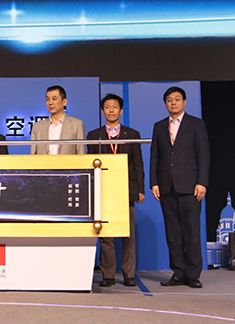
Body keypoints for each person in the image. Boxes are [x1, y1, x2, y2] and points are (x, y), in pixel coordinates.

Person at [149, 86, 210, 289]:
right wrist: (154, 182)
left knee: (191, 233)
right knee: (173, 234)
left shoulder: (196, 124)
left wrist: (202, 182)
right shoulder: (159, 126)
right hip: (166, 187)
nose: (173, 103)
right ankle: (178, 273)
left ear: (184, 102)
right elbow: (155, 156)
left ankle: (192, 275)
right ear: (165, 103)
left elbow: (203, 155)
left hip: (190, 186)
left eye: (177, 99)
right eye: (169, 100)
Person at [87, 94, 144, 287]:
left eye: (114, 107)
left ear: (121, 111)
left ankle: (129, 274)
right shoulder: (94, 135)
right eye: (107, 107)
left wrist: (140, 189)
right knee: (106, 235)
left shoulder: (132, 134)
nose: (111, 110)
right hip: (103, 191)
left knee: (129, 235)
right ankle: (108, 275)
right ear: (103, 112)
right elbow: (89, 164)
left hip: (126, 189)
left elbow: (138, 164)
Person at [30, 85, 86, 154]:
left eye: (54, 99)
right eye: (48, 99)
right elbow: (33, 156)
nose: (50, 103)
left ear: (64, 102)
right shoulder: (37, 127)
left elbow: (81, 154)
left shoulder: (77, 125)